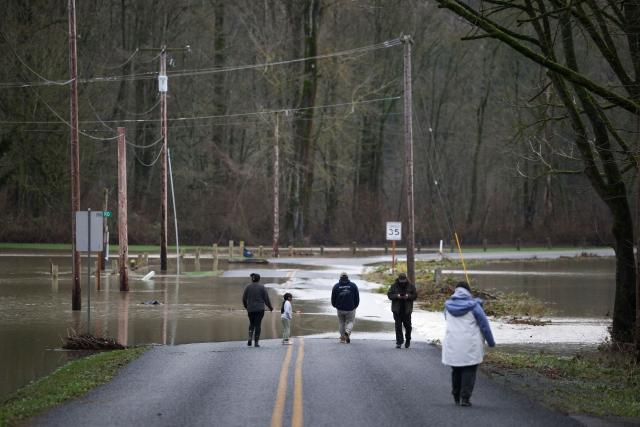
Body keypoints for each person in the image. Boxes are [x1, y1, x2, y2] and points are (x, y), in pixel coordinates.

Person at [442, 282, 495, 407]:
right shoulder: (474, 307)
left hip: (452, 343)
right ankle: (465, 398)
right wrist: (491, 342)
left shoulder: (448, 306)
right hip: (470, 344)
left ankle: (456, 396)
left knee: (456, 370)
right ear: (468, 292)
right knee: (469, 370)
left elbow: (447, 318)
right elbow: (484, 325)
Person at [242, 273, 273, 347]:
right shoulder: (262, 287)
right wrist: (270, 307)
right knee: (258, 325)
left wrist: (247, 307)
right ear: (259, 279)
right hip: (260, 309)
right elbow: (266, 299)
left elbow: (244, 299)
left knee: (251, 323)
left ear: (252, 279)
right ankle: (256, 342)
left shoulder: (248, 287)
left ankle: (250, 338)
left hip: (250, 309)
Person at [387, 272, 417, 349]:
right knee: (398, 327)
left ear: (406, 279)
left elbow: (415, 296)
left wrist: (408, 296)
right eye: (401, 281)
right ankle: (399, 342)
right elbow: (389, 295)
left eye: (403, 281)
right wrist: (397, 296)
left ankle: (408, 340)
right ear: (399, 279)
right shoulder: (393, 286)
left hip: (407, 310)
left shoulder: (411, 286)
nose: (402, 282)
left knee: (408, 327)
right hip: (397, 310)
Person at [331, 272, 359, 343]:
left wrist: (335, 305)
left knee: (341, 322)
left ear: (340, 278)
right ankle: (347, 331)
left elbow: (333, 298)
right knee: (350, 321)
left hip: (340, 309)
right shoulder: (353, 286)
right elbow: (357, 297)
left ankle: (342, 338)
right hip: (350, 308)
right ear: (347, 277)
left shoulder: (336, 286)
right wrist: (355, 306)